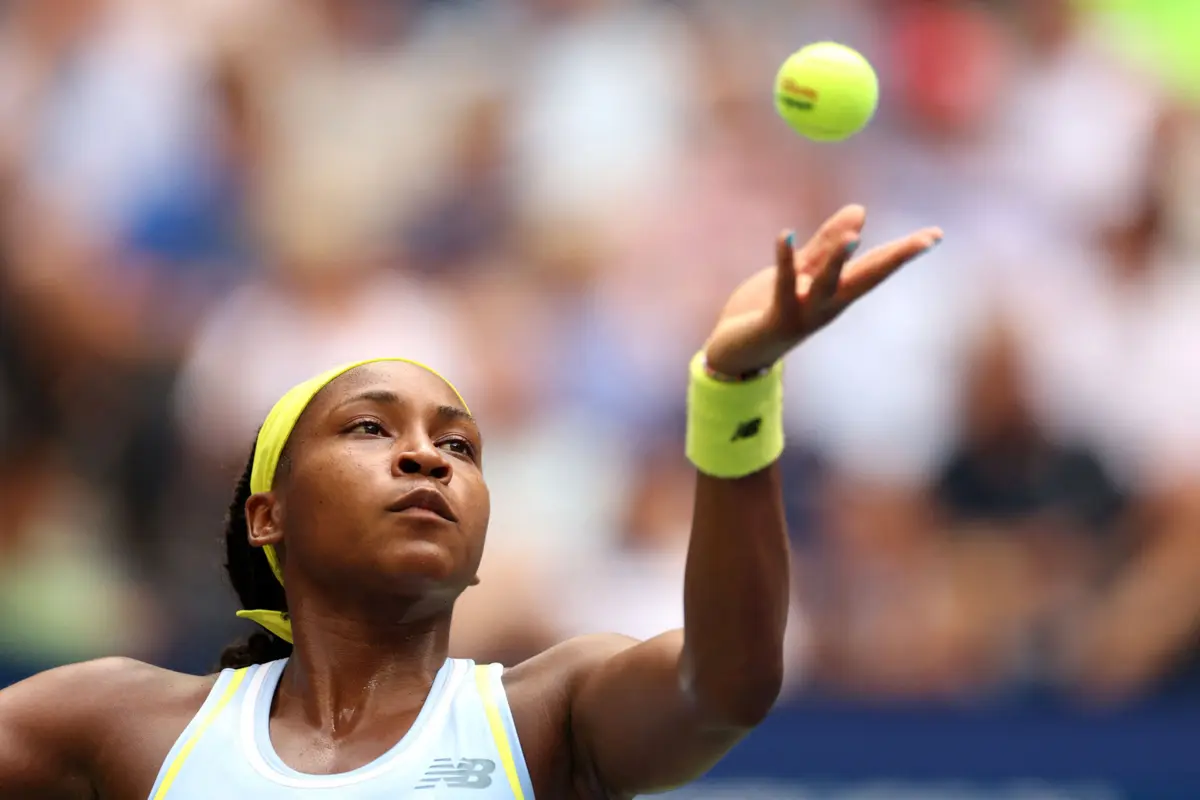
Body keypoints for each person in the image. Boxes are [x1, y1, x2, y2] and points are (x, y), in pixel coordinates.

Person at [0, 205, 940, 799]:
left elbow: (729, 681)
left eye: (459, 445)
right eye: (371, 430)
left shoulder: (548, 715)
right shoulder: (122, 724)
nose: (427, 457)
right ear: (267, 515)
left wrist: (734, 389)